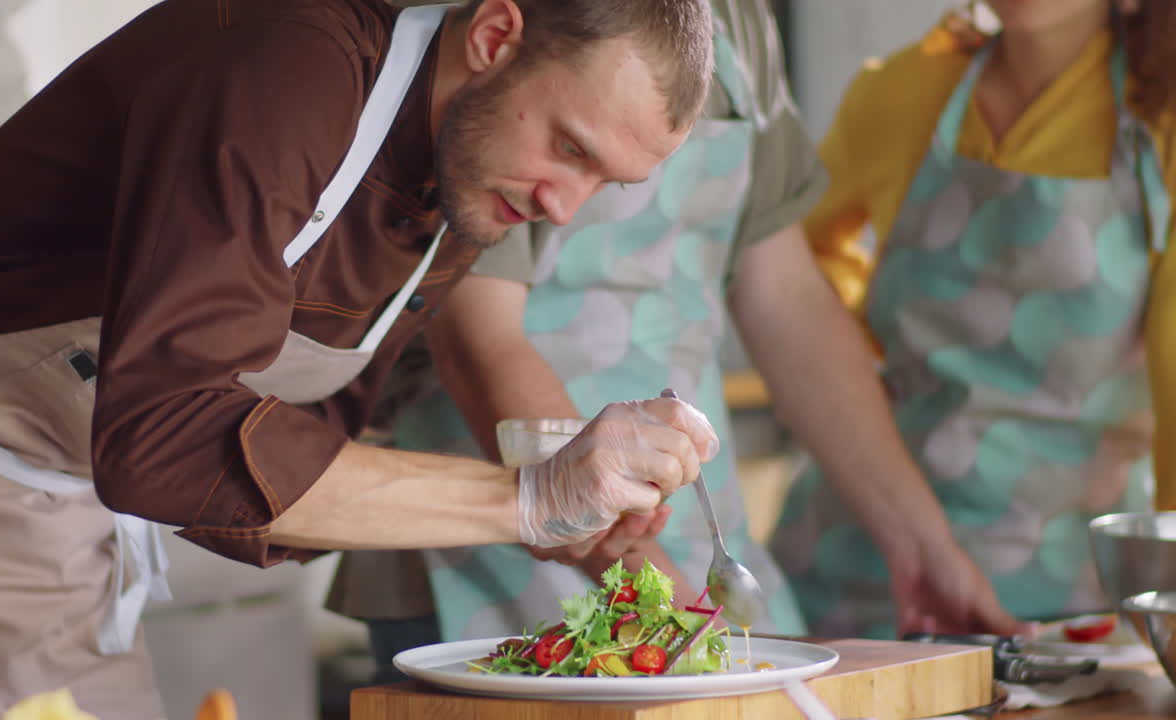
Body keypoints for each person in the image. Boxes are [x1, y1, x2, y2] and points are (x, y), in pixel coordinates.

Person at [0, 0, 722, 716]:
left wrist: (564, 524)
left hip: (65, 540)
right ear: (496, 34)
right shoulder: (293, 74)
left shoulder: (463, 179)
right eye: (571, 148)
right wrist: (528, 500)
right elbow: (160, 438)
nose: (561, 209)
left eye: (603, 183)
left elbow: (278, 451)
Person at [328, 0, 1030, 676]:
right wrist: (651, 589)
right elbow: (479, 346)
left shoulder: (744, 25)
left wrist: (923, 551)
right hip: (481, 540)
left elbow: (790, 303)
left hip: (692, 526)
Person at [771, 0, 1176, 639]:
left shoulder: (1163, 126)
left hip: (1065, 611)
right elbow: (785, 264)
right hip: (849, 579)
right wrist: (856, 354)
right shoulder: (901, 92)